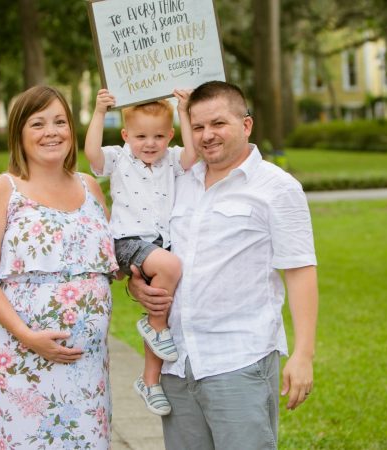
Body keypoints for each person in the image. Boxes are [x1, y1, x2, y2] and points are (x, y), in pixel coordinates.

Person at [128, 80, 319, 450]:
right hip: (177, 364)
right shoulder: (177, 181)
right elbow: (152, 251)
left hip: (238, 361)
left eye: (218, 124)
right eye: (197, 127)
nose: (206, 135)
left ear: (246, 125)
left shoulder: (278, 188)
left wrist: (303, 353)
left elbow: (300, 272)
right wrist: (136, 285)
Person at [0, 85, 118, 449]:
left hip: (87, 367)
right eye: (38, 123)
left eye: (59, 121)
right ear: (19, 134)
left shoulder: (90, 188)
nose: (51, 132)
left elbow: (108, 265)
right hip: (22, 360)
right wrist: (27, 335)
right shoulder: (2, 190)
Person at [84, 88, 196, 416]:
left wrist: (184, 109)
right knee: (171, 269)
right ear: (125, 135)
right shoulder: (119, 157)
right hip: (127, 241)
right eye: (141, 136)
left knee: (163, 306)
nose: (150, 143)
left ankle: (150, 379)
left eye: (159, 136)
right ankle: (155, 326)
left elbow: (192, 155)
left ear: (170, 135)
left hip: (159, 244)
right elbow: (91, 154)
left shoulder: (172, 160)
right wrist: (99, 111)